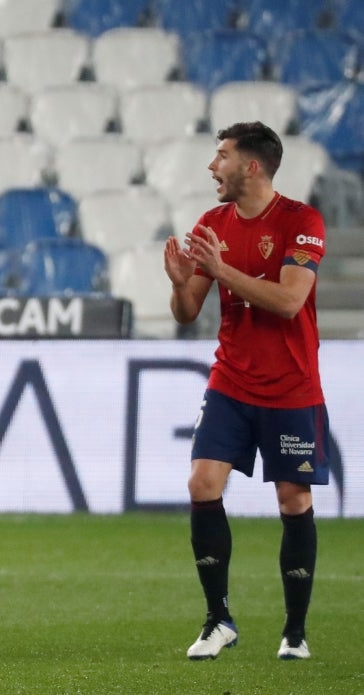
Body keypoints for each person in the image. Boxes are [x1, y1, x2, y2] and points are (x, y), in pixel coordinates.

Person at [164, 122, 330, 661]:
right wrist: (179, 283)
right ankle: (218, 620)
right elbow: (189, 311)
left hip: (291, 385)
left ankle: (296, 632)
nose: (213, 167)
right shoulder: (213, 223)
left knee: (293, 498)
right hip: (231, 379)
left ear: (251, 166)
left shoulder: (301, 222)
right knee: (201, 483)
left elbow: (287, 302)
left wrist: (221, 269)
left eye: (222, 156)